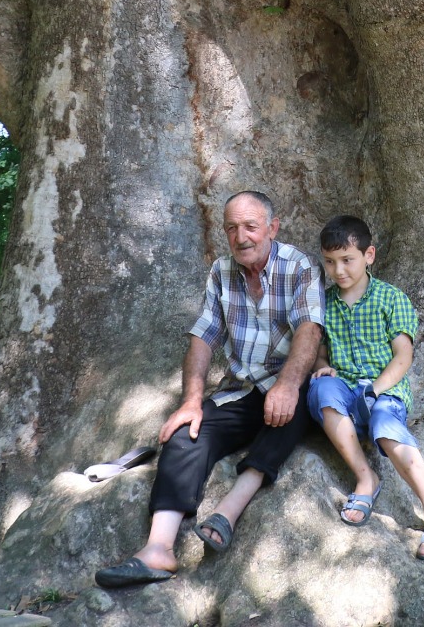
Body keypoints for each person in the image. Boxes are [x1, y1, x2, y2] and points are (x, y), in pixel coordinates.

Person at [95, 190, 325, 588]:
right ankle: (158, 550)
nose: (241, 237)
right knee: (185, 434)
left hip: (286, 381)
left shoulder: (299, 266)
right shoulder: (222, 271)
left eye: (251, 227)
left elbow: (310, 328)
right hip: (240, 389)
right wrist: (190, 402)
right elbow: (204, 336)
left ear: (272, 228)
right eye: (232, 228)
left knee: (297, 405)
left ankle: (229, 511)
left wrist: (288, 384)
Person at [307, 214, 424, 561]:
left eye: (347, 260)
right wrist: (322, 367)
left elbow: (403, 357)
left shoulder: (390, 299)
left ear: (368, 255)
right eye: (330, 262)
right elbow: (321, 352)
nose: (338, 270)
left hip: (384, 391)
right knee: (320, 393)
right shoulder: (324, 303)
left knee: (385, 427)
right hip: (344, 390)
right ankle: (365, 478)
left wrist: (375, 390)